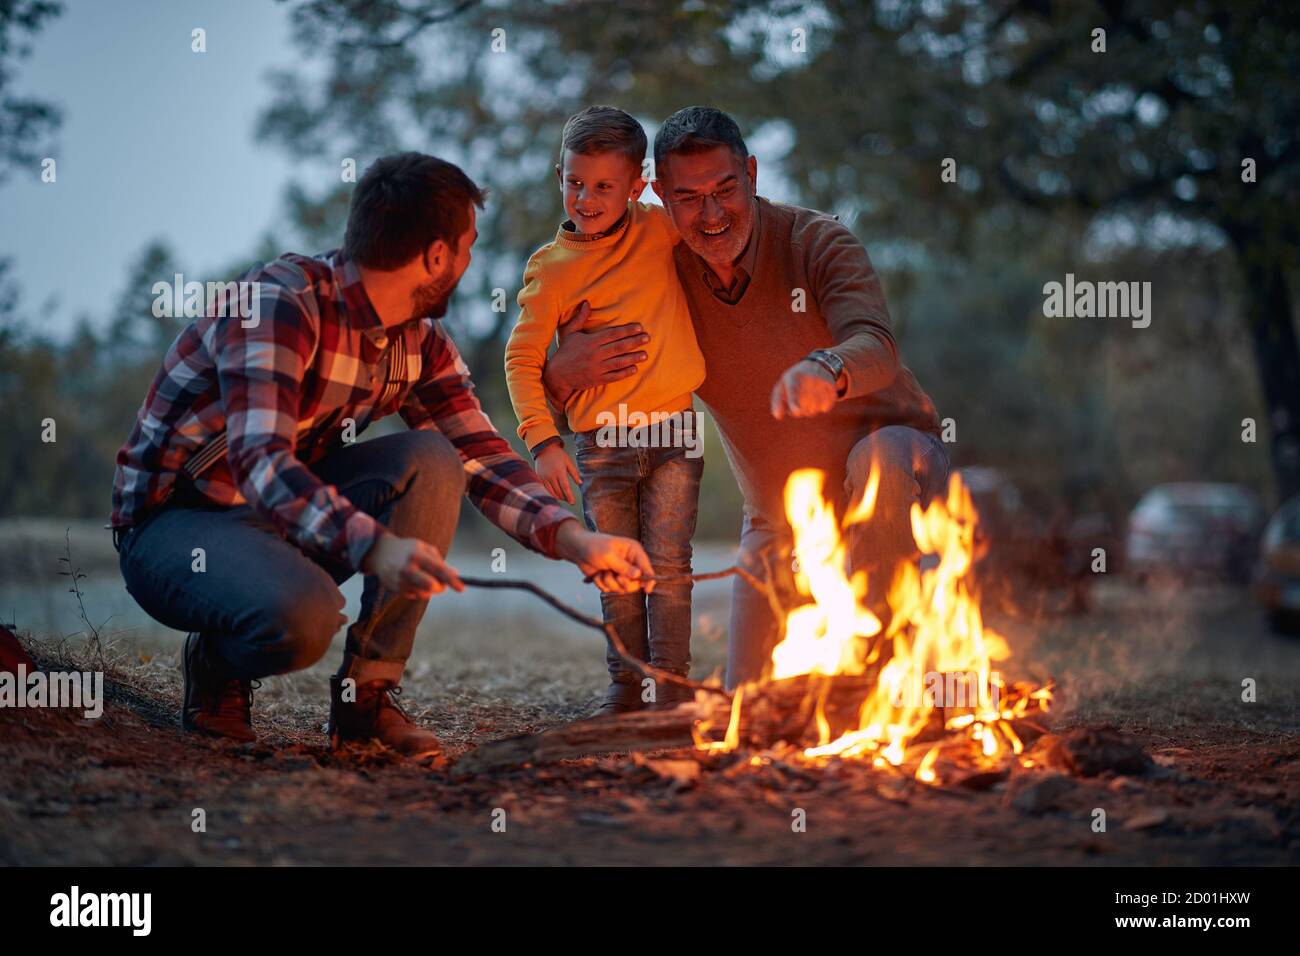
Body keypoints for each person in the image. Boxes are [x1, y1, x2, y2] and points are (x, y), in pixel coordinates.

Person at [110, 152, 655, 757]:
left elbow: (477, 451)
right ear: (436, 257)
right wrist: (375, 545)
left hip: (277, 519)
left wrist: (575, 541)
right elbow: (260, 461)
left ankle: (365, 698)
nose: (469, 264)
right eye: (468, 247)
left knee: (432, 456)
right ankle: (217, 661)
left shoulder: (416, 339)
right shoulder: (278, 306)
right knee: (304, 618)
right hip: (174, 524)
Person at [542, 107, 947, 688]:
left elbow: (877, 348)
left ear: (752, 174)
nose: (710, 214)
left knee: (877, 460)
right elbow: (598, 385)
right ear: (658, 194)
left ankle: (881, 687)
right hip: (778, 518)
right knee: (748, 704)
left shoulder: (817, 242)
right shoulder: (657, 268)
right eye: (687, 197)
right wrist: (561, 377)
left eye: (725, 190)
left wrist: (827, 365)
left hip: (900, 462)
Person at [505, 106, 706, 716]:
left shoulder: (659, 228)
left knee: (670, 566)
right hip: (603, 444)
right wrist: (543, 441)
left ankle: (669, 695)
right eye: (574, 182)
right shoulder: (552, 268)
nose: (586, 198)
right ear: (558, 175)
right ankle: (625, 691)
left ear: (637, 186)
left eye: (603, 186)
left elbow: (715, 219)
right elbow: (521, 359)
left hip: (676, 431)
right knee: (617, 571)